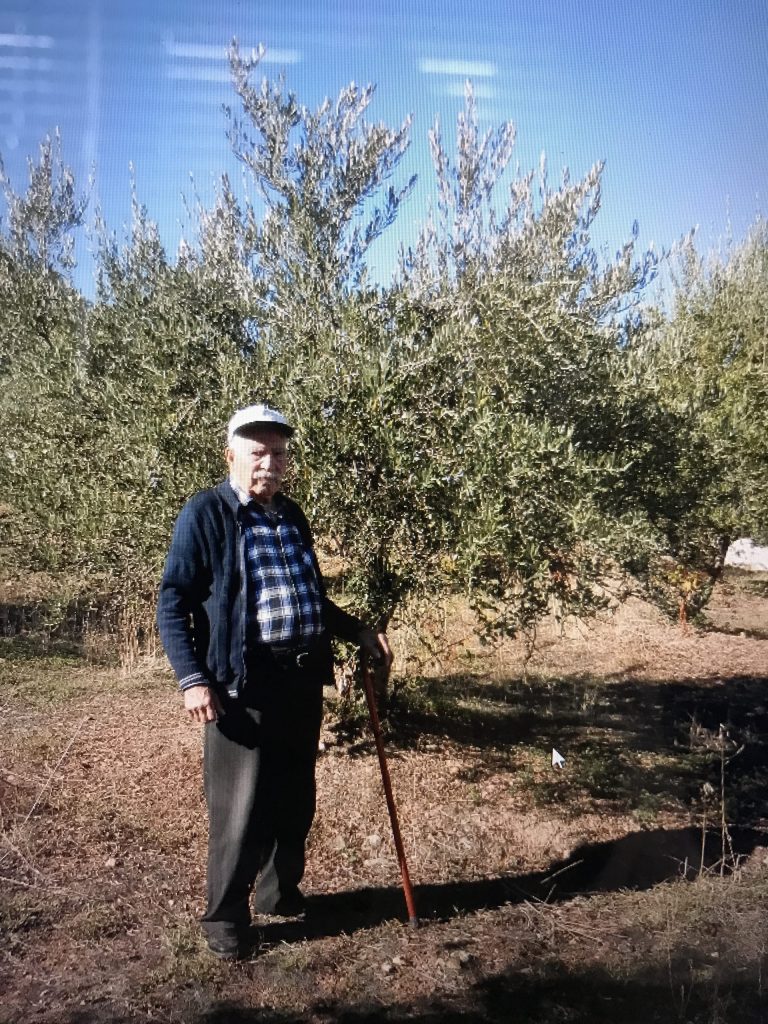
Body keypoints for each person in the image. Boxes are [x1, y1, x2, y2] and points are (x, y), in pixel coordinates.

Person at [157, 402, 392, 959]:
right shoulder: (206, 513)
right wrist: (192, 678)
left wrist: (356, 629)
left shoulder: (291, 515)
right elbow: (173, 601)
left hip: (301, 679)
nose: (270, 463)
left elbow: (308, 597)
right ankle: (225, 921)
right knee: (239, 811)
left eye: (279, 453)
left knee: (294, 799)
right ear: (231, 456)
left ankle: (278, 894)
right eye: (258, 452)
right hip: (242, 686)